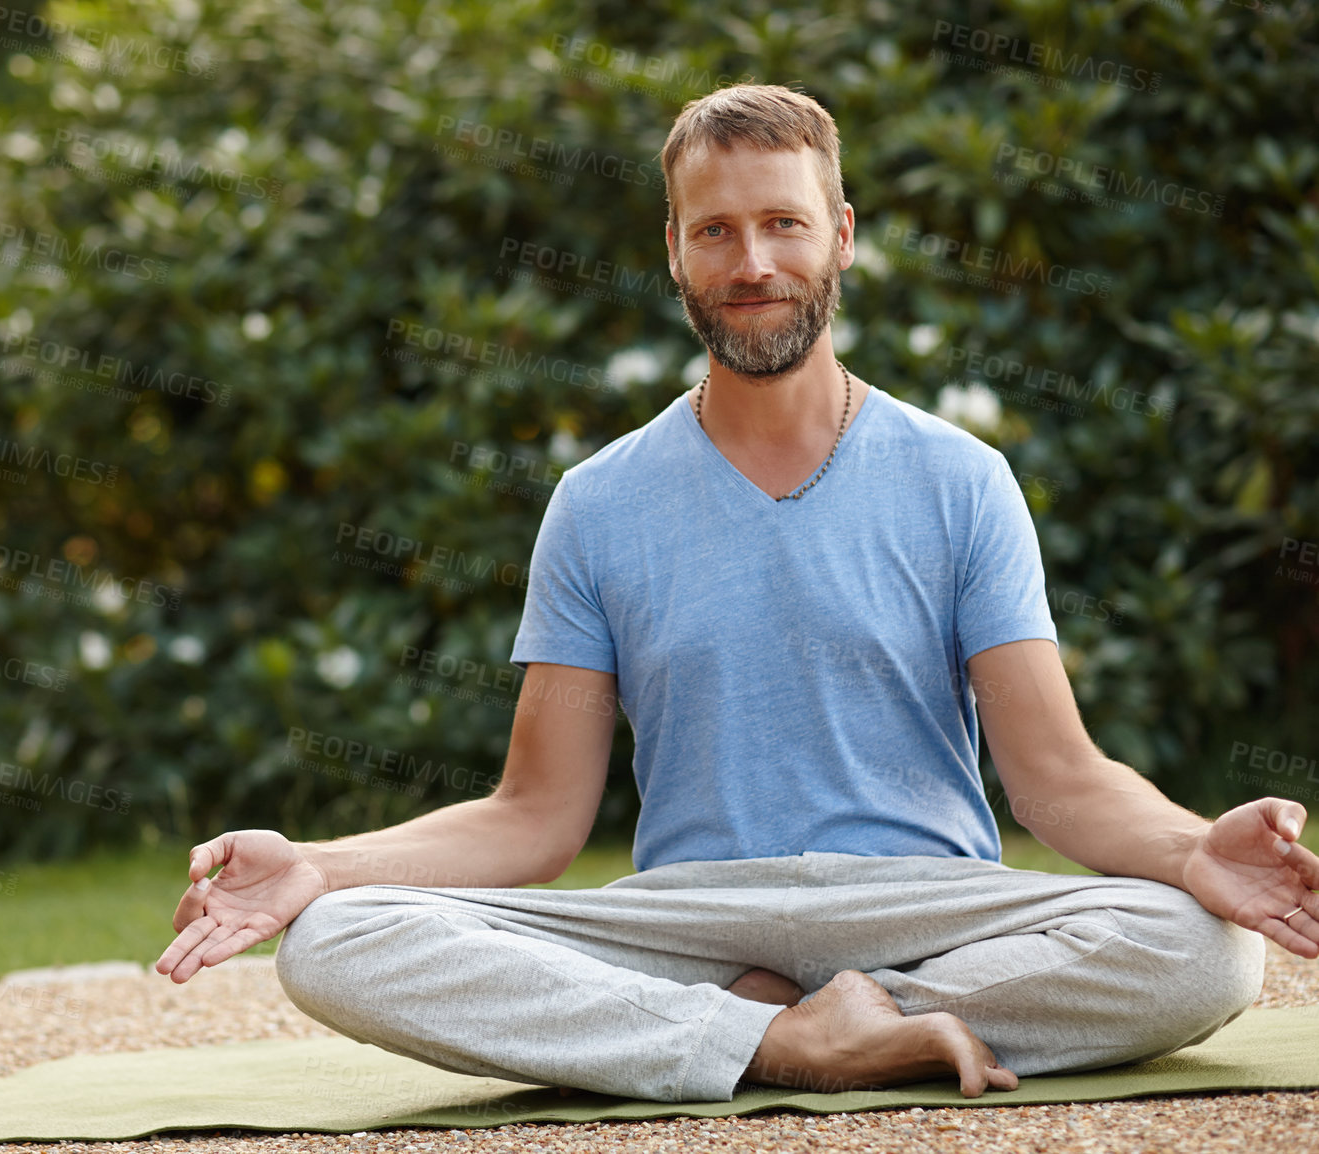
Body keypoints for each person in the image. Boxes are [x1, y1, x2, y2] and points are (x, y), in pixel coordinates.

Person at [155, 82, 1318, 1102]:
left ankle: (803, 1015)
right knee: (335, 940)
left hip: (920, 903)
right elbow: (534, 817)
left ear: (842, 236)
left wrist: (1185, 847)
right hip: (695, 915)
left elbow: (1058, 779)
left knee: (1203, 948)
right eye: (716, 231)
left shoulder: (962, 479)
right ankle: (787, 1036)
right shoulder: (598, 501)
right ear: (674, 249)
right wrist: (321, 864)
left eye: (782, 225)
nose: (751, 263)